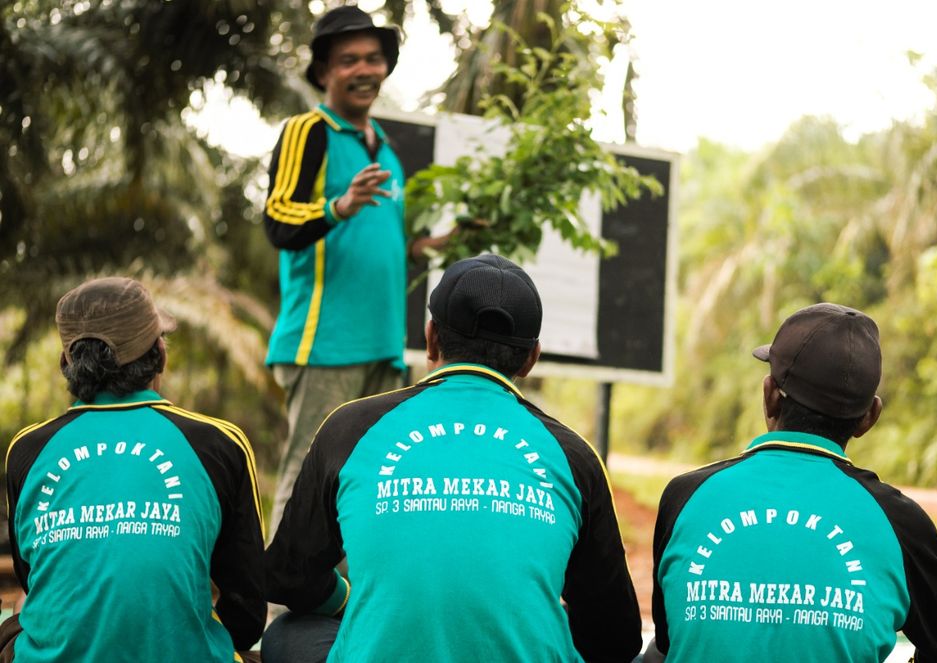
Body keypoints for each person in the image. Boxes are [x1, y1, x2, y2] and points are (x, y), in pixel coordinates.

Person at [264, 254, 643, 663]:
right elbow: (616, 637)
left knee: (287, 633)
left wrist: (347, 602)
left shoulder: (350, 428)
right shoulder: (572, 455)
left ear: (431, 338)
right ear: (531, 359)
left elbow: (288, 578)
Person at [649, 303, 937, 662]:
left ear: (770, 396)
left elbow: (671, 636)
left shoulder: (686, 497)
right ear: (869, 418)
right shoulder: (899, 523)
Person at [2, 277, 265, 662]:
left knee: (16, 626)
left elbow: (39, 578)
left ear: (66, 364)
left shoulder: (27, 450)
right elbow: (247, 614)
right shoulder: (218, 443)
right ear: (160, 353)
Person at [262, 4, 445, 534]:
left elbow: (379, 240)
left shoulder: (385, 148)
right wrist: (336, 207)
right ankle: (283, 615)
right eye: (348, 61)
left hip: (383, 343)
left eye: (373, 59)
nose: (364, 69)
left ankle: (345, 608)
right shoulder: (308, 131)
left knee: (368, 481)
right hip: (324, 343)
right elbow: (278, 220)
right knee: (306, 479)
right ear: (323, 72)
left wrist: (424, 247)